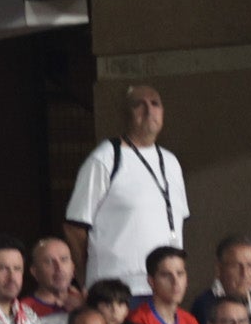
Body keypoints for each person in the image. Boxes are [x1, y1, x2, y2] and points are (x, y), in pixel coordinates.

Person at [67, 88, 190, 286]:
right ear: (126, 115)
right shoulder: (105, 158)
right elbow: (75, 226)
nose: (149, 110)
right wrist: (86, 279)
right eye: (139, 104)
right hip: (117, 291)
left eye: (155, 103)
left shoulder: (171, 162)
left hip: (163, 289)